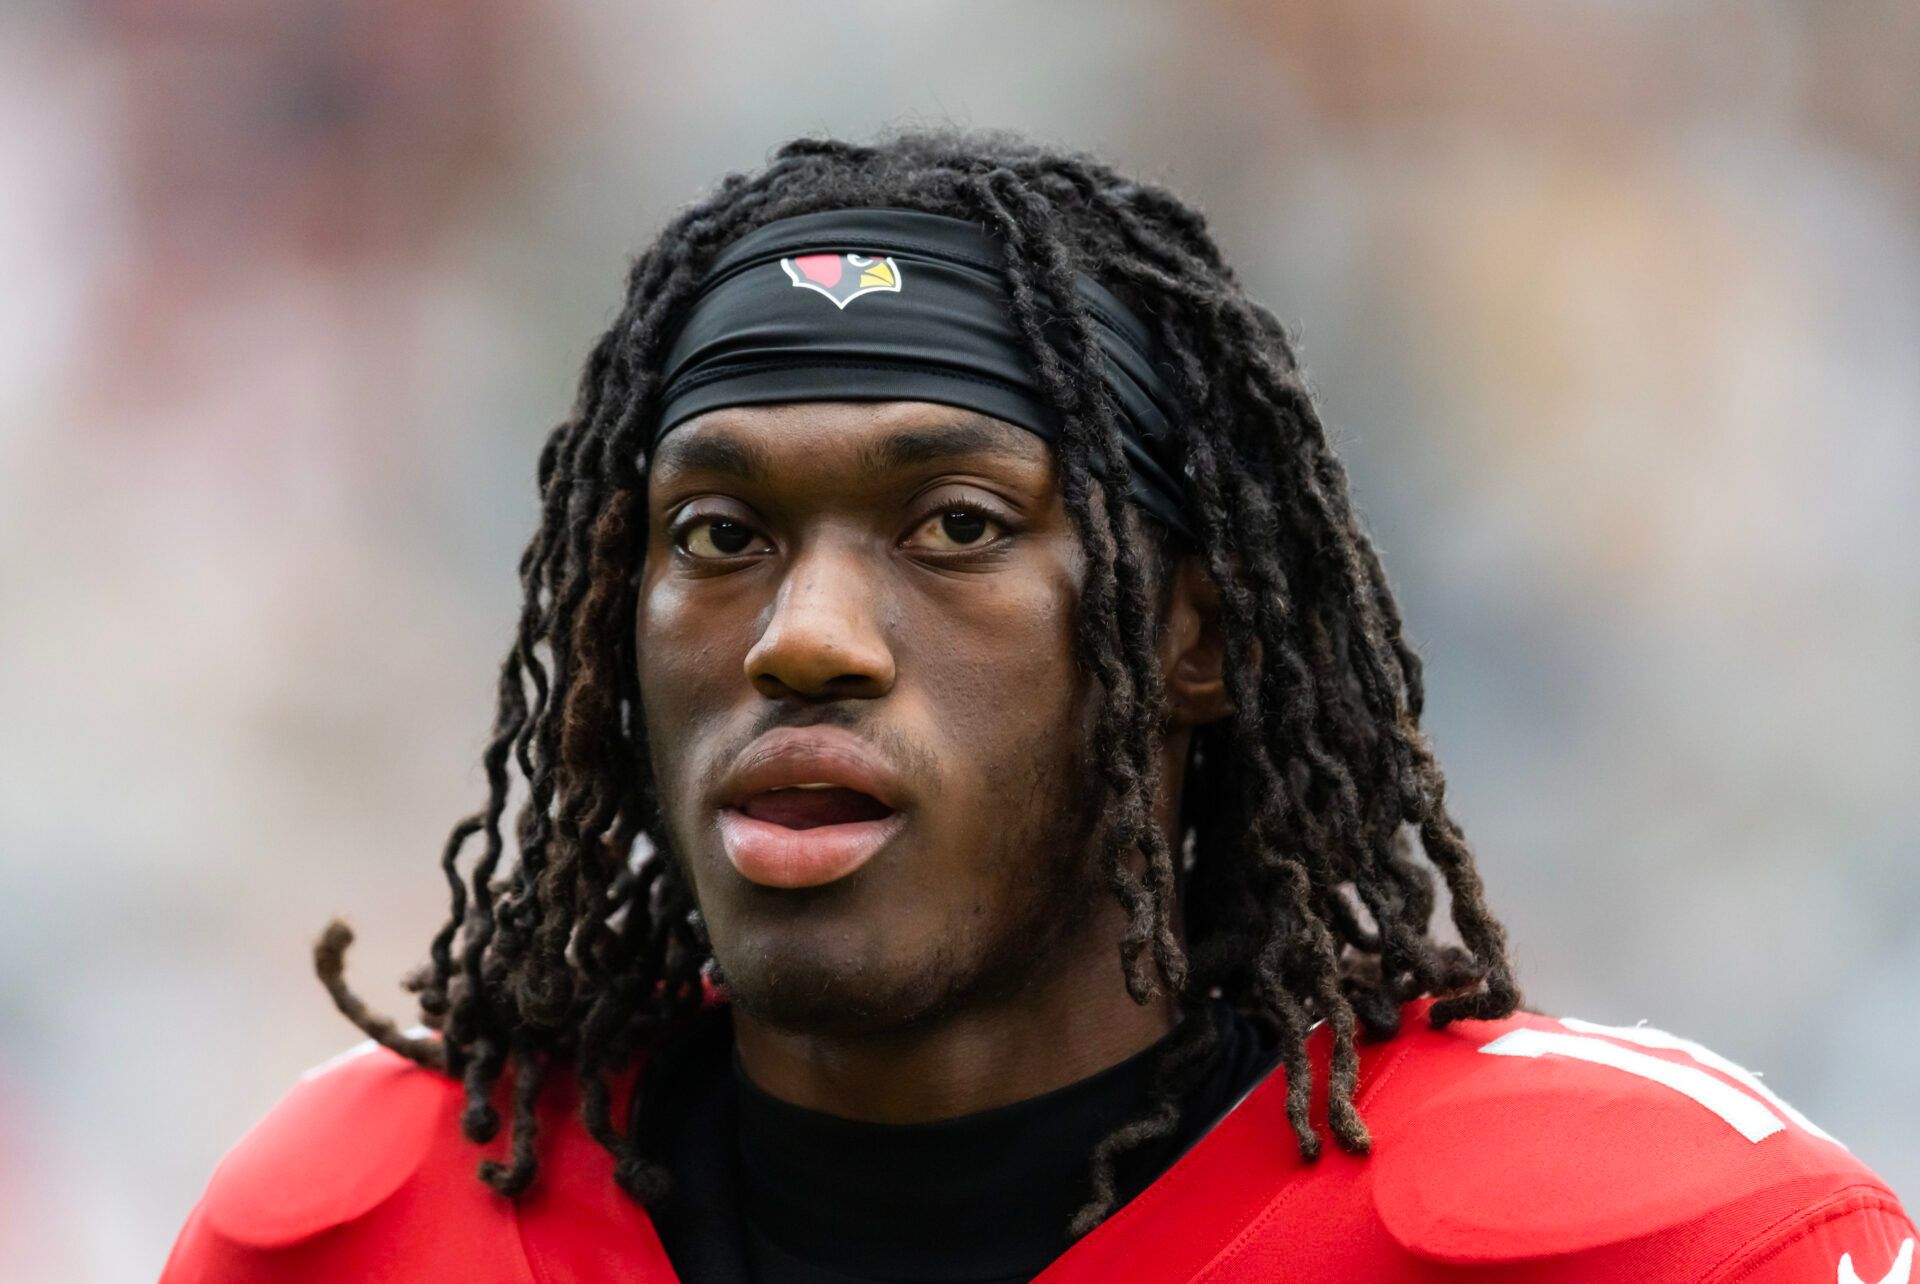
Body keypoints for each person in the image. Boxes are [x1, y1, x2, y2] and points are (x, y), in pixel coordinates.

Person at [163, 129, 1914, 1284]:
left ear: (1196, 639)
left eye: (956, 527)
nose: (805, 638)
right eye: (719, 534)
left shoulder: (1674, 1249)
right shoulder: (363, 1227)